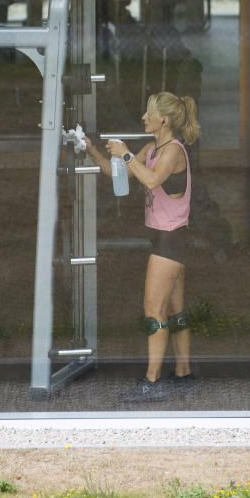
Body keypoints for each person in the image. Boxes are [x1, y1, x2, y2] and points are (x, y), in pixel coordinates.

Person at [85, 91, 200, 402]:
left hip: (170, 240)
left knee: (154, 312)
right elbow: (118, 172)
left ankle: (152, 382)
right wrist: (92, 149)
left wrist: (125, 154)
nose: (143, 118)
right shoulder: (153, 147)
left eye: (148, 114)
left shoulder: (174, 151)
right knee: (176, 311)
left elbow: (150, 180)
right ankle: (184, 374)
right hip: (167, 239)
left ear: (163, 119)